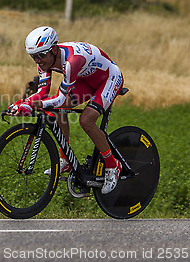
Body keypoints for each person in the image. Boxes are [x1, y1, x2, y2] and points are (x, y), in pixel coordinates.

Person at [8, 26, 124, 194]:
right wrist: (23, 103)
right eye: (33, 56)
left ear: (54, 49)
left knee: (86, 120)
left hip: (109, 79)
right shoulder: (45, 60)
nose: (38, 61)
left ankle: (113, 166)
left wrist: (32, 105)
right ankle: (66, 160)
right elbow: (42, 93)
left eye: (41, 55)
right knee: (57, 110)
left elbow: (61, 99)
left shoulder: (71, 62)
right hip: (86, 80)